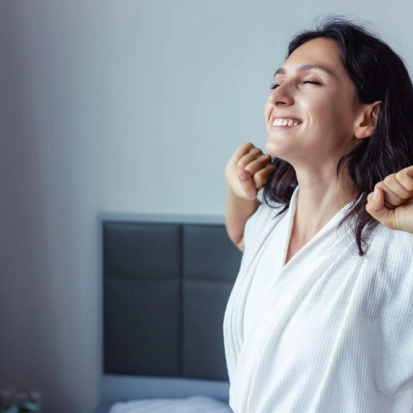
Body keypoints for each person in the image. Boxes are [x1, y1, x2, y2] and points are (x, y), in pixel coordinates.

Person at [223, 16, 413, 413]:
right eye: (277, 82)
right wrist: (237, 188)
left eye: (308, 81)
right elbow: (241, 233)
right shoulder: (271, 225)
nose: (277, 96)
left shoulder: (399, 244)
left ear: (368, 118)